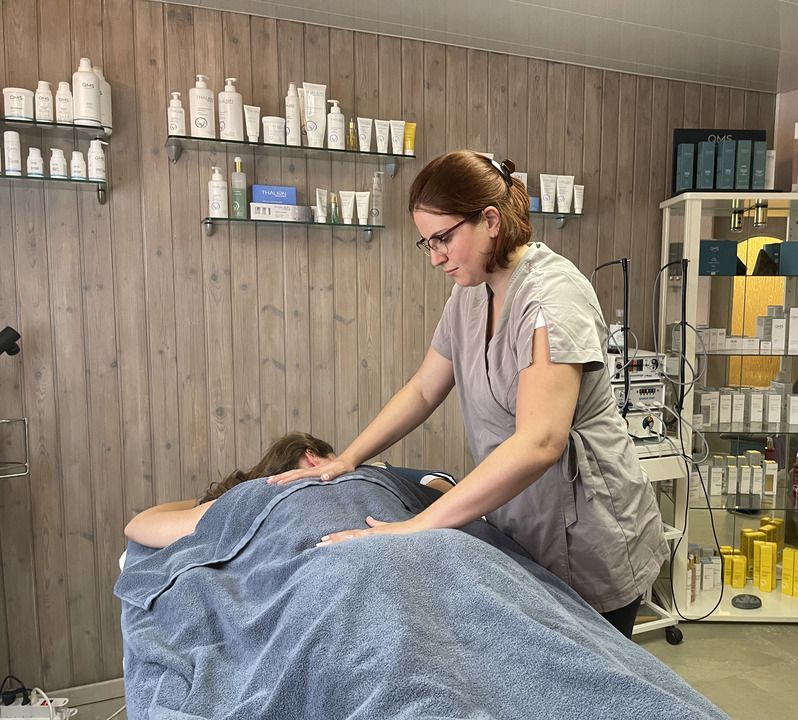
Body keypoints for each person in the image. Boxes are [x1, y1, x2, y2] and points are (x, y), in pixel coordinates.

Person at [269, 151, 668, 636]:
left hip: (589, 534)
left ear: (491, 221)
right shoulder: (471, 291)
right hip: (521, 522)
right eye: (427, 242)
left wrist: (416, 527)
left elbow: (540, 441)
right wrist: (347, 459)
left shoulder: (551, 297)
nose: (435, 257)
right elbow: (423, 389)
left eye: (444, 238)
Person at [123, 432, 454, 549]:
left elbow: (139, 525)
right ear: (313, 457)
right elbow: (440, 486)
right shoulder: (374, 472)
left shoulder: (251, 497)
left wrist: (212, 500)